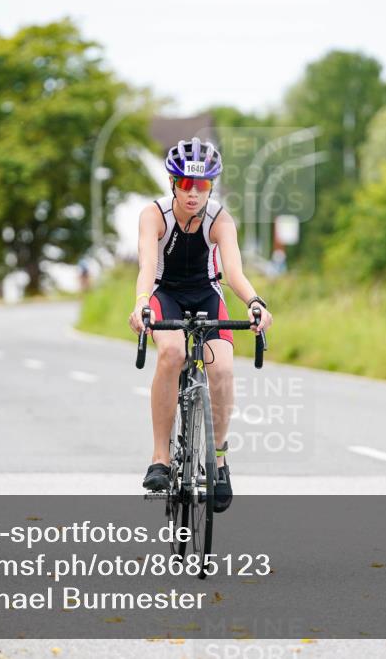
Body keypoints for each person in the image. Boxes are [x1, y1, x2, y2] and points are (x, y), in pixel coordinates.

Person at [128, 137, 273, 513]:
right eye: (186, 184)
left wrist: (255, 303)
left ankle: (219, 460)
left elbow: (234, 272)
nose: (194, 193)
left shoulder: (220, 220)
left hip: (206, 295)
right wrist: (142, 303)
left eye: (203, 185)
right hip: (165, 294)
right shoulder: (154, 215)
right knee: (172, 353)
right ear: (173, 183)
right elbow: (147, 265)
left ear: (211, 187)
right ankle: (160, 458)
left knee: (221, 370)